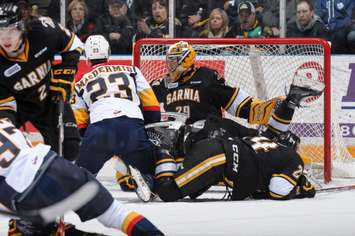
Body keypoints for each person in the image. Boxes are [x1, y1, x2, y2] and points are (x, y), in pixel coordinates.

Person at [144, 78, 323, 202]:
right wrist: (300, 187)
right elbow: (278, 190)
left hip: (212, 138)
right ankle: (153, 177)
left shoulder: (264, 146)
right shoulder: (284, 156)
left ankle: (155, 168)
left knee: (193, 187)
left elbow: (273, 132)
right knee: (170, 190)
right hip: (216, 150)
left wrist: (288, 104)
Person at [0, 119, 164, 235]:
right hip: (57, 165)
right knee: (116, 215)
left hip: (28, 190)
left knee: (30, 229)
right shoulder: (4, 122)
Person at [72, 35, 161, 191]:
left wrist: (91, 143)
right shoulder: (132, 71)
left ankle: (86, 181)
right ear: (109, 52)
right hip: (132, 125)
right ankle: (141, 174)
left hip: (100, 127)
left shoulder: (80, 81)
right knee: (149, 172)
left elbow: (80, 123)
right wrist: (147, 131)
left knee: (79, 180)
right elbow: (152, 106)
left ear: (86, 57)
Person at [0, 1, 81, 162]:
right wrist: (7, 127)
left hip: (49, 97)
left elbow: (74, 45)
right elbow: (5, 107)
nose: (6, 38)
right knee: (7, 153)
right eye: (0, 31)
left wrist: (65, 77)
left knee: (70, 147)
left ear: (23, 27)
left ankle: (55, 178)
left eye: (12, 30)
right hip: (18, 105)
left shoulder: (43, 31)